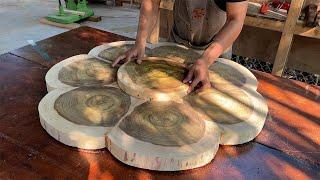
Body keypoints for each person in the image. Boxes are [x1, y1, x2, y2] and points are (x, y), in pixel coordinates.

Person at [112, 0, 248, 93]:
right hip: (177, 45)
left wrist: (206, 60)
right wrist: (140, 42)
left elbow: (236, 19)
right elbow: (152, 3)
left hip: (215, 52)